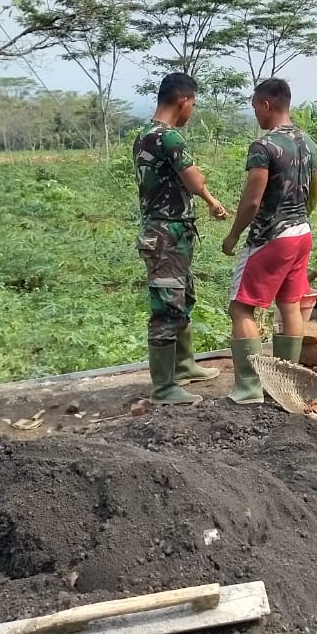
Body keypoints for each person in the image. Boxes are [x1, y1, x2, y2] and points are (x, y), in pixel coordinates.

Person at [220, 78, 317, 404]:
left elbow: (252, 200)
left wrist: (234, 234)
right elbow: (315, 193)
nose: (255, 115)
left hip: (270, 237)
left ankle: (249, 388)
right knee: (290, 305)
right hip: (301, 233)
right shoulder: (310, 144)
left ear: (265, 104)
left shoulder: (264, 147)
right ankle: (284, 385)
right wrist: (298, 218)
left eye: (255, 108)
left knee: (241, 308)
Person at [133, 72, 228, 407]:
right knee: (166, 308)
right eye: (193, 104)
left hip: (169, 232)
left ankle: (184, 365)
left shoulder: (145, 134)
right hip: (166, 235)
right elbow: (193, 178)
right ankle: (163, 387)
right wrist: (205, 188)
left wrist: (209, 199)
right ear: (183, 100)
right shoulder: (168, 138)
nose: (192, 111)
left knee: (182, 299)